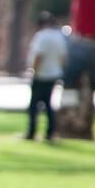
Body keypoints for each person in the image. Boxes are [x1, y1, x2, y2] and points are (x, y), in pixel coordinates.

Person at [26, 10, 70, 141]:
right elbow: (63, 58)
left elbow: (39, 55)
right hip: (54, 74)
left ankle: (32, 132)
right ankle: (50, 132)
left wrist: (34, 70)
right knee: (48, 105)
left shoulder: (42, 36)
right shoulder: (59, 37)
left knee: (34, 106)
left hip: (41, 74)